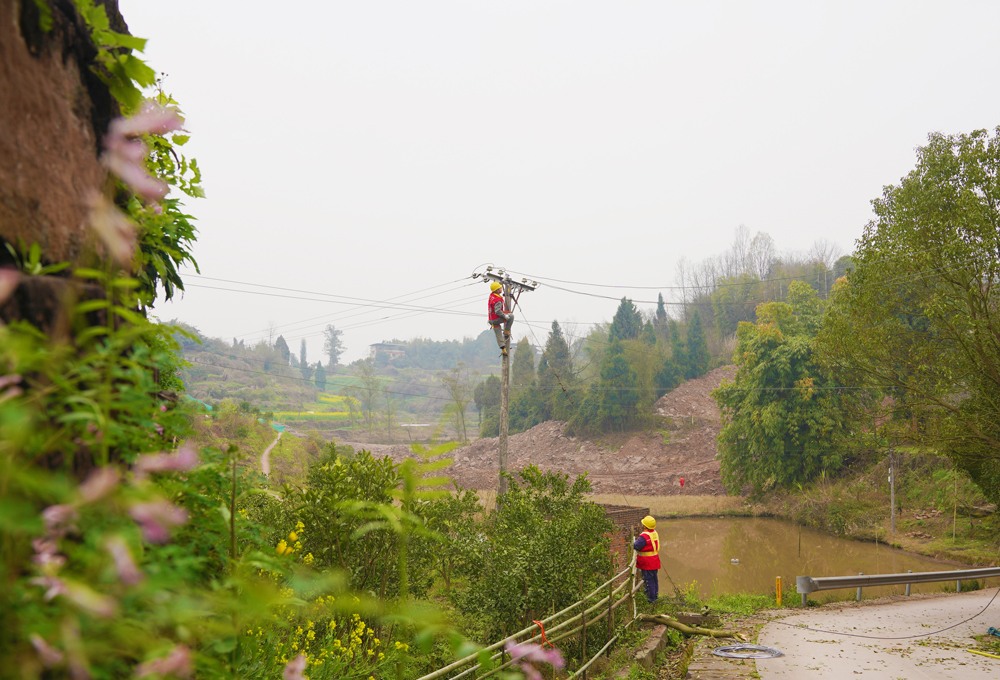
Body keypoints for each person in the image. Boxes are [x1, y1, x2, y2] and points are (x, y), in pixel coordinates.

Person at [633, 515, 660, 604]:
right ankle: (655, 596)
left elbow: (636, 545)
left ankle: (651, 599)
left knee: (648, 580)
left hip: (647, 561)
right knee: (654, 578)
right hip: (654, 560)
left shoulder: (644, 536)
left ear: (645, 526)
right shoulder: (654, 532)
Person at [487, 281, 514, 356]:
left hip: (491, 319)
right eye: (500, 288)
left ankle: (504, 350)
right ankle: (506, 331)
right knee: (511, 316)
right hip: (496, 318)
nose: (501, 289)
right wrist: (505, 316)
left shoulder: (492, 295)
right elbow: (498, 311)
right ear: (497, 290)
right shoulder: (498, 300)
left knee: (498, 334)